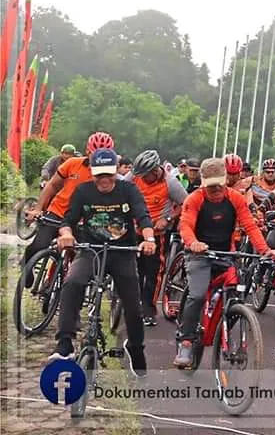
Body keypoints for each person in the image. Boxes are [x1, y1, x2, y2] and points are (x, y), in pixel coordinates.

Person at [48, 148, 155, 378]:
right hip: (91, 250)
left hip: (122, 252)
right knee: (72, 282)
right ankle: (65, 342)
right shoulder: (83, 191)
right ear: (92, 174)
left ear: (117, 172)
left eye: (109, 174)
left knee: (133, 305)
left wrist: (149, 238)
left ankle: (135, 347)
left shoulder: (129, 190)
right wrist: (66, 234)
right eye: (99, 175)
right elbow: (68, 219)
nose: (104, 180)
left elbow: (143, 215)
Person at [173, 158, 275, 368]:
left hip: (226, 254)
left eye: (219, 185)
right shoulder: (194, 199)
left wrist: (265, 251)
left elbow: (250, 226)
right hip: (199, 255)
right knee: (196, 295)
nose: (216, 190)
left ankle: (225, 325)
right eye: (211, 186)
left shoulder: (235, 198)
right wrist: (193, 243)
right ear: (204, 183)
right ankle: (186, 341)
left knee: (235, 293)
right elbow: (185, 226)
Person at [23, 132, 115, 278]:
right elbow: (52, 185)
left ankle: (60, 284)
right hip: (58, 212)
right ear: (87, 151)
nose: (98, 158)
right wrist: (38, 209)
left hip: (85, 221)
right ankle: (27, 271)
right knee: (38, 246)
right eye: (94, 153)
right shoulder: (73, 163)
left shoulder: (111, 175)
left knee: (83, 262)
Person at [124, 149, 188, 326]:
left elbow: (186, 204)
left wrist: (167, 219)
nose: (142, 179)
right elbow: (119, 189)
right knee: (133, 270)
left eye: (146, 176)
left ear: (155, 171)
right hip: (134, 230)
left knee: (153, 273)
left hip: (157, 233)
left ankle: (149, 309)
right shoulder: (134, 175)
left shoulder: (171, 183)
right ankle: (130, 303)